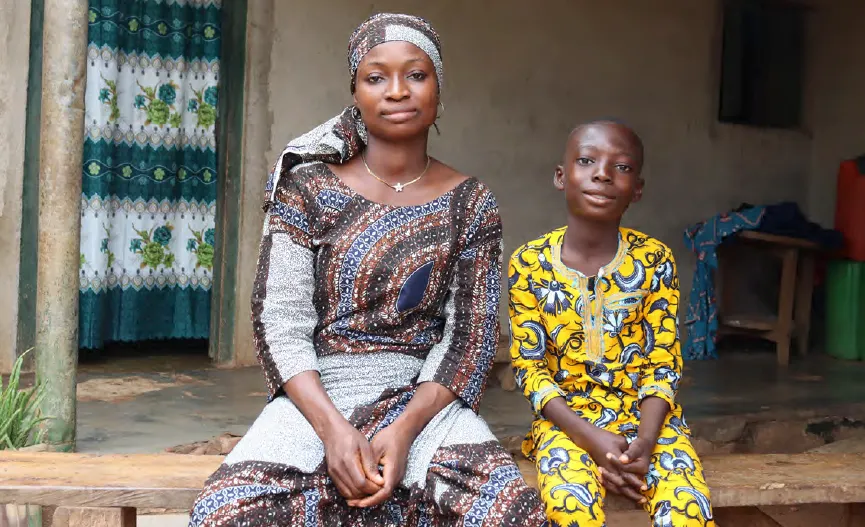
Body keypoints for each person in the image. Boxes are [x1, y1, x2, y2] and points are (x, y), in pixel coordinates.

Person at [189, 13, 547, 527]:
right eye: (376, 77)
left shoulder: (471, 203)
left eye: (416, 75)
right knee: (224, 513)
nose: (397, 91)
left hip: (425, 402)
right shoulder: (307, 188)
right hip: (317, 399)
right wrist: (334, 431)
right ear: (354, 92)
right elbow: (281, 320)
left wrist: (403, 432)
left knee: (509, 514)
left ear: (439, 90)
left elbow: (470, 338)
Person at [508, 121, 715, 526]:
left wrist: (645, 443)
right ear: (560, 175)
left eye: (621, 167)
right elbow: (529, 370)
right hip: (566, 425)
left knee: (688, 508)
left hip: (650, 425)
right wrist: (592, 439)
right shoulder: (528, 263)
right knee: (571, 507)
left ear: (637, 188)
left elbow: (663, 364)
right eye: (586, 161)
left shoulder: (654, 261)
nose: (602, 173)